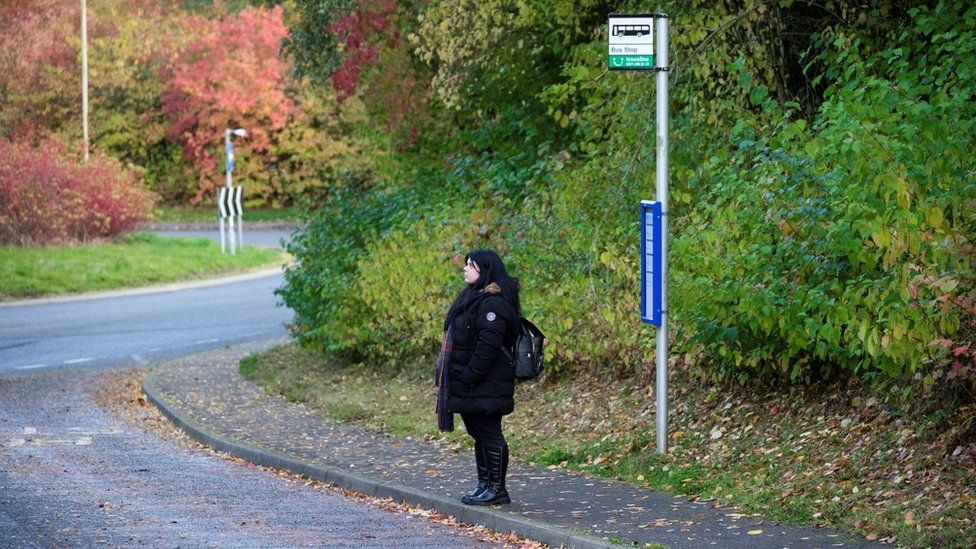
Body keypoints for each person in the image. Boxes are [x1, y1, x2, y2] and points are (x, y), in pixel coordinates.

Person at [441, 249, 520, 506]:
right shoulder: (473, 297)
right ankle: (485, 484)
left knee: (490, 432)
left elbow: (488, 345)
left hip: (486, 381)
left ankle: (497, 488)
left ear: (484, 270)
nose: (465, 269)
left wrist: (469, 376)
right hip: (471, 381)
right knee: (478, 432)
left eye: (470, 265)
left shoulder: (494, 303)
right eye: (465, 264)